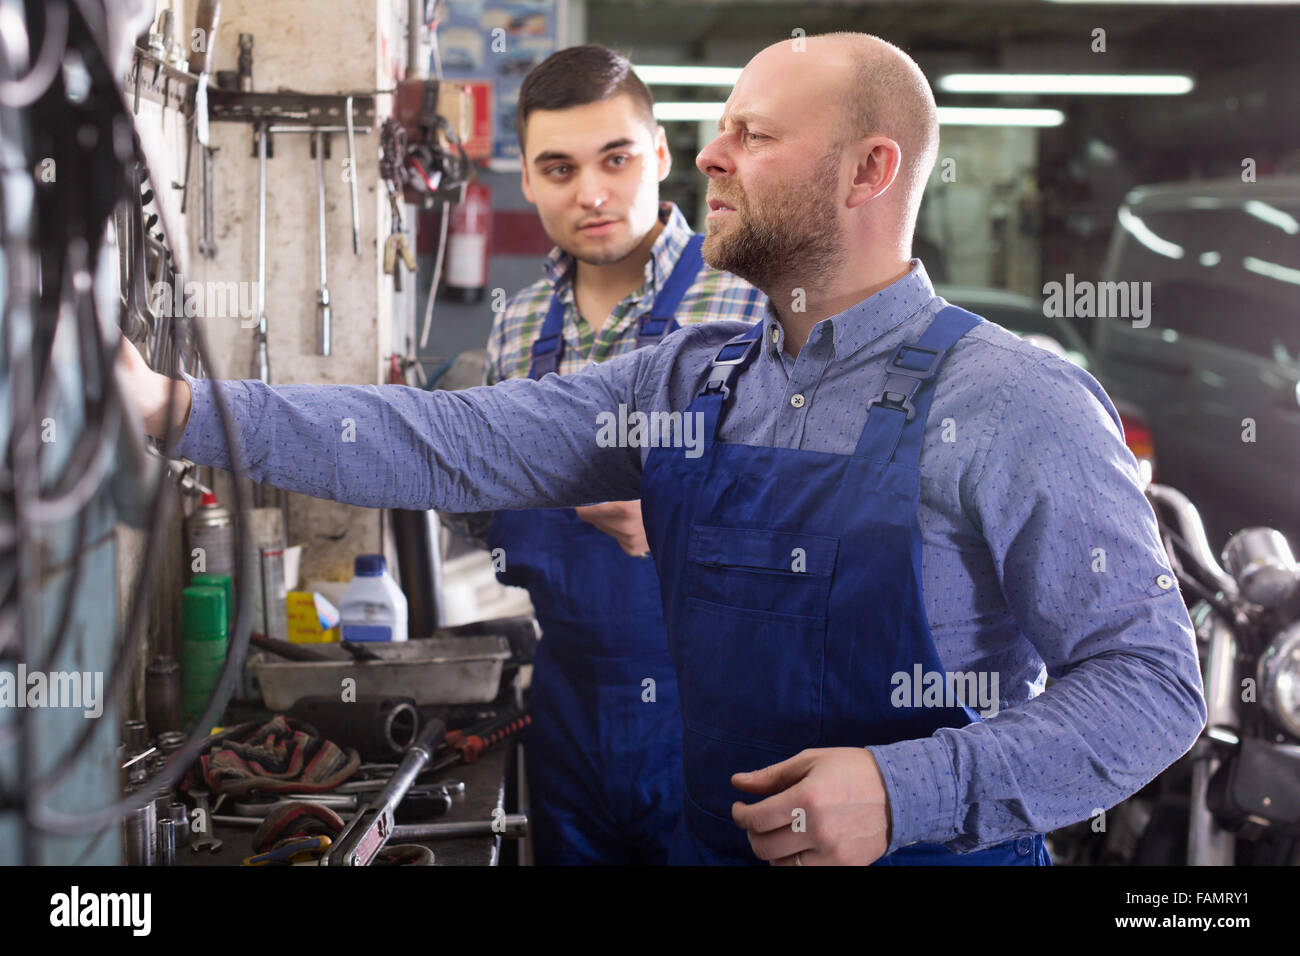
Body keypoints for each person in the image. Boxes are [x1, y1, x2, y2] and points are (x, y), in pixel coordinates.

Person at [125, 32, 1205, 865]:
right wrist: (172, 405)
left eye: (754, 134)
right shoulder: (687, 378)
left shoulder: (1018, 400)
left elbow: (1154, 686)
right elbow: (445, 442)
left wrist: (905, 788)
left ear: (868, 169)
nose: (709, 154)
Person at [457, 45, 766, 865]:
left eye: (617, 159)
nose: (591, 194)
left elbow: (827, 513)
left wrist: (682, 517)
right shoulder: (517, 324)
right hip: (565, 705)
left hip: (719, 709)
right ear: (525, 179)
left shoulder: (752, 297)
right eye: (557, 168)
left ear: (661, 155)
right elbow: (490, 491)